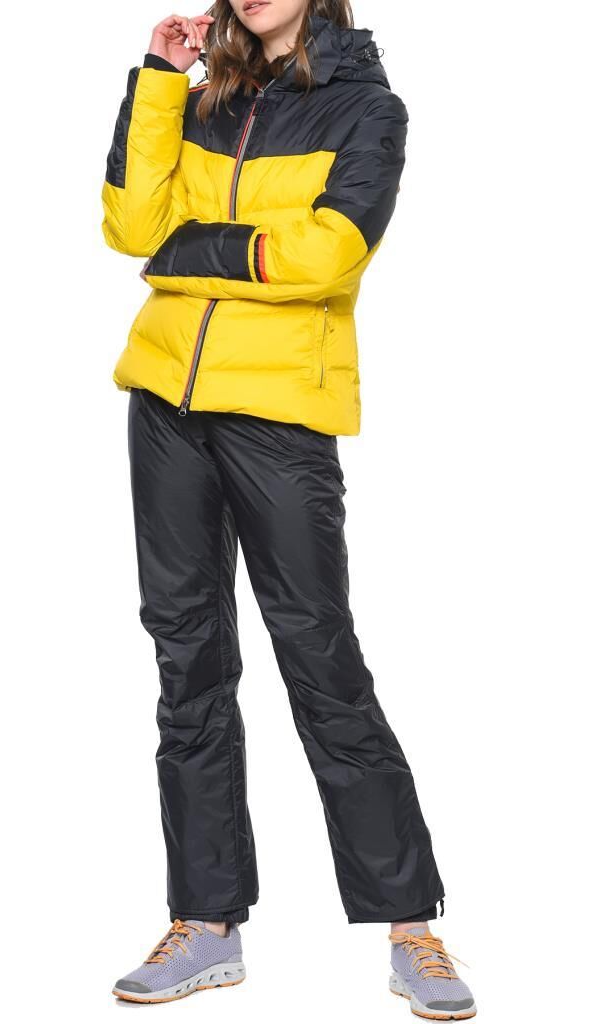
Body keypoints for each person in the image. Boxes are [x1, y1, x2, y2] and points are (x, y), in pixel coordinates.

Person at [101, 2, 476, 1018]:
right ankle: (205, 924)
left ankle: (412, 926)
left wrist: (191, 253)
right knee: (186, 662)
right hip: (166, 406)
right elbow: (131, 227)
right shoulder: (201, 101)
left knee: (320, 659)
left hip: (279, 417)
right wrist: (157, 81)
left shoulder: (367, 109)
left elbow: (328, 256)